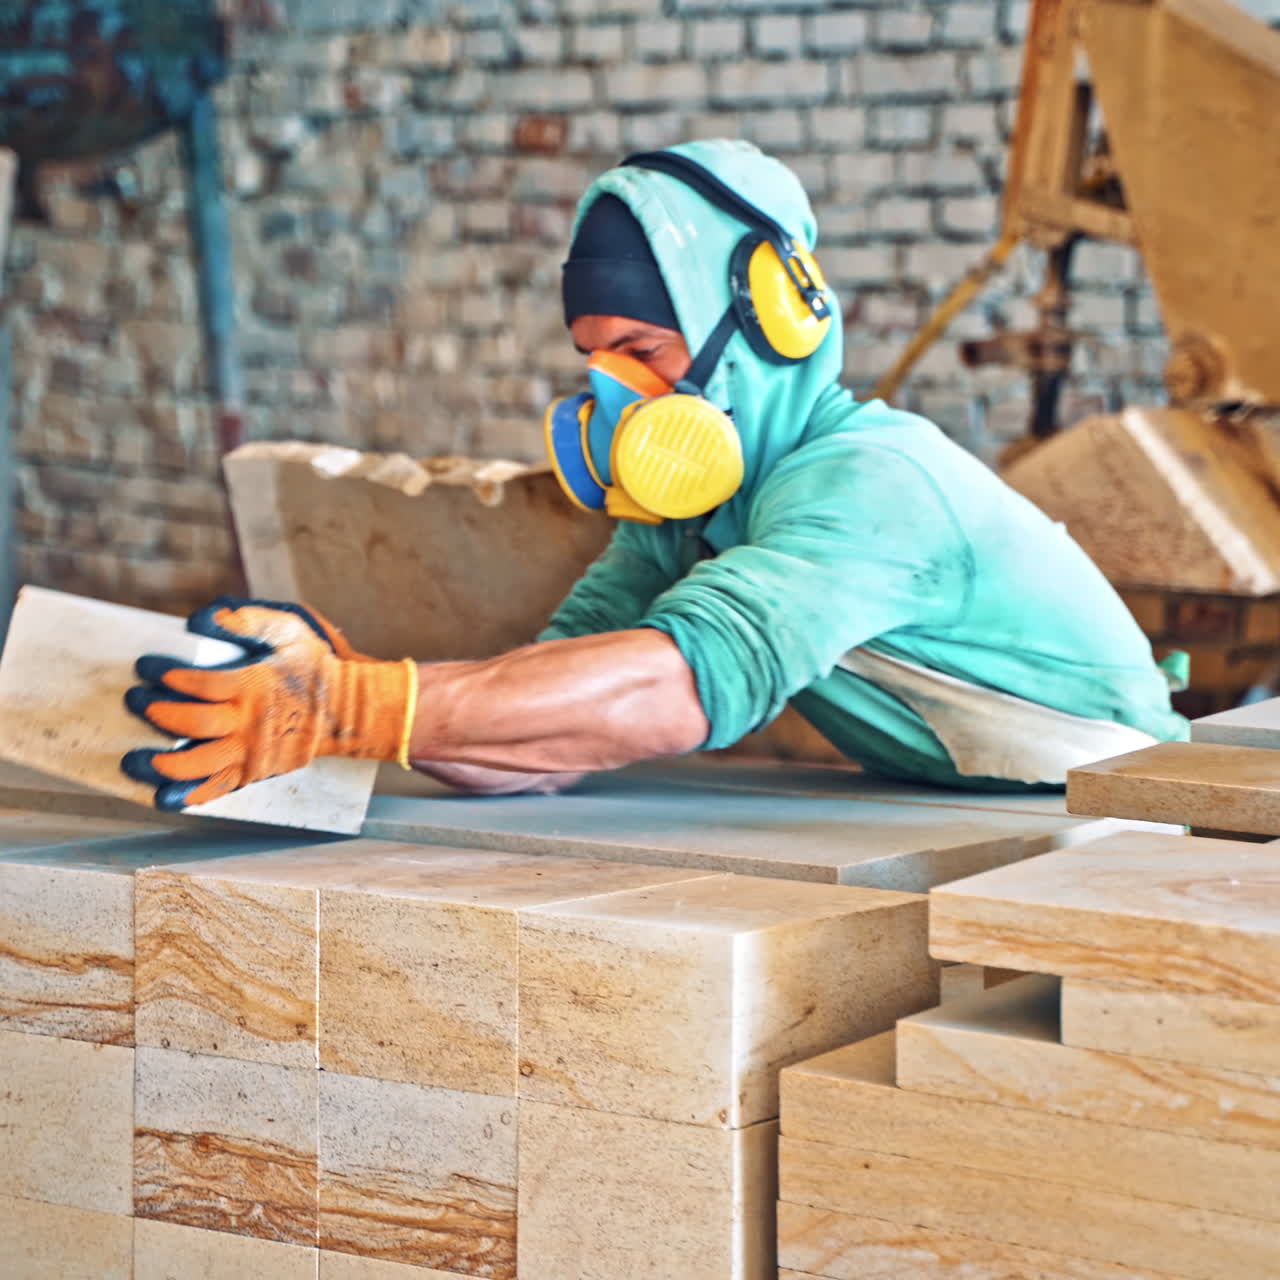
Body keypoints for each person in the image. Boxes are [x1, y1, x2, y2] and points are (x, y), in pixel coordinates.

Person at [121, 139, 1186, 810]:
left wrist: (358, 705)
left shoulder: (871, 483)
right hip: (986, 813)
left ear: (770, 323)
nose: (616, 394)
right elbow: (548, 735)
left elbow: (675, 690)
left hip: (1127, 815)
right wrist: (331, 685)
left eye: (643, 348)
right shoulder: (688, 523)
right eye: (593, 356)